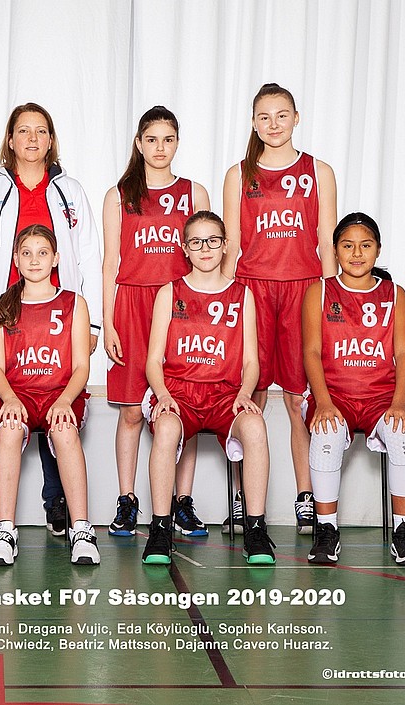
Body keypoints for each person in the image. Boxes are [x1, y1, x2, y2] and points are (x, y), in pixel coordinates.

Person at [0, 102, 102, 537]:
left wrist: (92, 323)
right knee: (6, 403)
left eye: (41, 130)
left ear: (51, 140)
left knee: (56, 398)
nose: (32, 138)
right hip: (8, 316)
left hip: (59, 313)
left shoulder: (70, 190)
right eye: (23, 130)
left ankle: (57, 503)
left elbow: (89, 256)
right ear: (10, 139)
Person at [221, 83, 337, 535]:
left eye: (282, 115)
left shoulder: (318, 171)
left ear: (296, 118)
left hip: (302, 289)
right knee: (249, 395)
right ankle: (243, 499)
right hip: (252, 290)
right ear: (253, 123)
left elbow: (326, 242)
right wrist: (223, 300)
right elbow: (232, 245)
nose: (274, 124)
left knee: (297, 398)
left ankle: (306, 496)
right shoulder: (239, 175)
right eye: (264, 117)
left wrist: (332, 300)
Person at [141, 212, 274, 565]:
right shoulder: (170, 292)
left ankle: (255, 529)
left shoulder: (242, 295)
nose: (205, 248)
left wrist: (245, 392)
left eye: (213, 240)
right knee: (166, 428)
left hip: (225, 394)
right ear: (185, 248)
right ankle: (160, 529)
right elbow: (153, 360)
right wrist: (163, 395)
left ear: (225, 245)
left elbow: (251, 361)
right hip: (179, 392)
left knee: (255, 427)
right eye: (196, 242)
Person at [102, 106, 211, 537]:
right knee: (132, 411)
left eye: (168, 139)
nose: (160, 147)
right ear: (139, 143)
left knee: (185, 407)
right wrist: (108, 322)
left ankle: (182, 501)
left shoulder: (194, 192)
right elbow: (111, 262)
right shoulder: (119, 195)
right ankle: (127, 499)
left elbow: (208, 258)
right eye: (152, 139)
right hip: (132, 304)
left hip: (182, 308)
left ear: (177, 143)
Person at [302, 212, 405, 566]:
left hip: (381, 397)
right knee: (326, 432)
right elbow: (311, 352)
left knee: (403, 433)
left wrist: (399, 403)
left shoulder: (395, 294)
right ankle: (327, 530)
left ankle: (404, 532)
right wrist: (323, 402)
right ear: (335, 250)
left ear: (378, 249)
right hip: (334, 395)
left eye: (366, 245)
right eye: (348, 246)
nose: (357, 253)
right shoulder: (320, 291)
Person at [0, 225, 99, 566]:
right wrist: (10, 399)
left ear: (56, 258)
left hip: (60, 393)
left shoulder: (74, 303)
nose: (35, 260)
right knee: (8, 429)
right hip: (16, 393)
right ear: (16, 259)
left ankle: (82, 529)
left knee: (64, 430)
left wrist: (64, 400)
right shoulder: (1, 305)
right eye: (27, 253)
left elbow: (81, 366)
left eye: (43, 252)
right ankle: (5, 530)